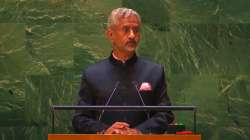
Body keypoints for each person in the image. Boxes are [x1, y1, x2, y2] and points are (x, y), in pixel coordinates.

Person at [72, 7, 174, 134]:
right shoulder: (92, 73)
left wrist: (138, 131)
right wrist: (105, 130)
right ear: (110, 35)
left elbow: (165, 114)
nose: (132, 35)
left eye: (136, 30)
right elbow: (80, 118)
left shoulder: (154, 71)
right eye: (126, 30)